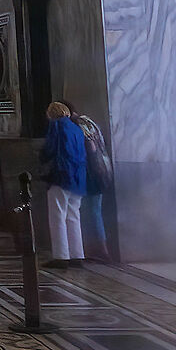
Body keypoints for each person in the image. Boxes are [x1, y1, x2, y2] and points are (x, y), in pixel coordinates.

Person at [42, 101, 87, 264]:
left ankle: (61, 256)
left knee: (57, 215)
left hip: (61, 174)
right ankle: (77, 254)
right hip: (78, 176)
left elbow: (50, 149)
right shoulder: (76, 129)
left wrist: (42, 159)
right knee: (73, 215)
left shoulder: (56, 126)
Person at [76, 112, 114, 262]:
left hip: (90, 174)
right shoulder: (90, 123)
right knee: (94, 211)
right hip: (101, 172)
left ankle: (99, 250)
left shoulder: (79, 126)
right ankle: (99, 249)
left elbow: (90, 149)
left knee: (91, 212)